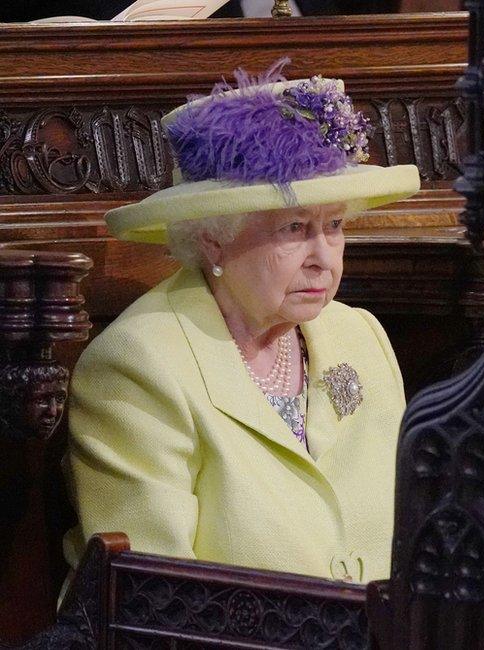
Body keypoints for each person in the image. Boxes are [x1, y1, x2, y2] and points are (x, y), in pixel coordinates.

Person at [62, 59, 420, 584]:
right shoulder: (137, 366)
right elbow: (153, 598)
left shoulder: (359, 336)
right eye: (295, 228)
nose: (325, 257)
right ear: (212, 238)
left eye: (336, 225)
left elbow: (418, 528)